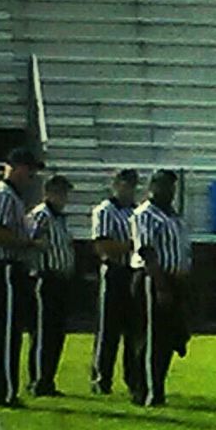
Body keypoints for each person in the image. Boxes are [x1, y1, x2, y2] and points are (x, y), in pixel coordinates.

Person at [0, 145, 44, 407]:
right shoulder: (4, 195)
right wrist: (29, 243)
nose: (31, 177)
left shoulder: (12, 195)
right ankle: (2, 390)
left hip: (6, 267)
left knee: (2, 330)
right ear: (16, 168)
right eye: (29, 171)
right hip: (4, 266)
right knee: (6, 331)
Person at [128, 169, 193, 407]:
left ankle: (158, 386)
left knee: (168, 338)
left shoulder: (174, 216)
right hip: (152, 278)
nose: (170, 191)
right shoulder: (145, 214)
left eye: (172, 187)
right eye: (165, 186)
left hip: (174, 280)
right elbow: (147, 251)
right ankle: (145, 390)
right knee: (150, 337)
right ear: (153, 187)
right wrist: (161, 286)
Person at [90, 168, 142, 397]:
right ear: (117, 184)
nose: (130, 190)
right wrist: (130, 246)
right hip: (114, 272)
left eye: (133, 185)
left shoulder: (137, 211)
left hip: (133, 273)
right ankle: (101, 378)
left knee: (133, 331)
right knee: (108, 329)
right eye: (126, 184)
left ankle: (133, 379)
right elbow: (102, 246)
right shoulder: (104, 210)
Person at [25, 173, 77, 397]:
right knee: (44, 331)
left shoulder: (60, 218)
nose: (64, 197)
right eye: (59, 192)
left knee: (56, 333)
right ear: (48, 193)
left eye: (65, 193)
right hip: (46, 278)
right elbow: (30, 242)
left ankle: (48, 378)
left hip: (61, 280)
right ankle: (38, 380)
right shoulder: (41, 215)